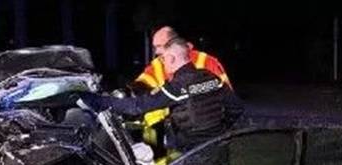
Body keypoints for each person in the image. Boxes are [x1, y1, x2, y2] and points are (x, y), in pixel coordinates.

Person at [83, 38, 243, 153]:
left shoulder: (178, 86)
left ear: (172, 58)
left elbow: (137, 106)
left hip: (194, 152)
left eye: (164, 60)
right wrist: (220, 130)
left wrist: (95, 100)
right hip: (219, 147)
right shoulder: (211, 77)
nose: (163, 64)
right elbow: (236, 108)